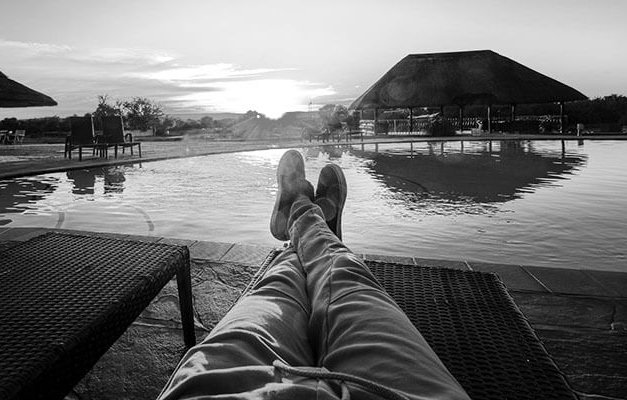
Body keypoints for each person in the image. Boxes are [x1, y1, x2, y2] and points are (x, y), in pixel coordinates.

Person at [157, 150, 470, 400]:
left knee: (277, 285)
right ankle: (313, 222)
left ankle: (301, 218)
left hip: (219, 388)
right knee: (345, 278)